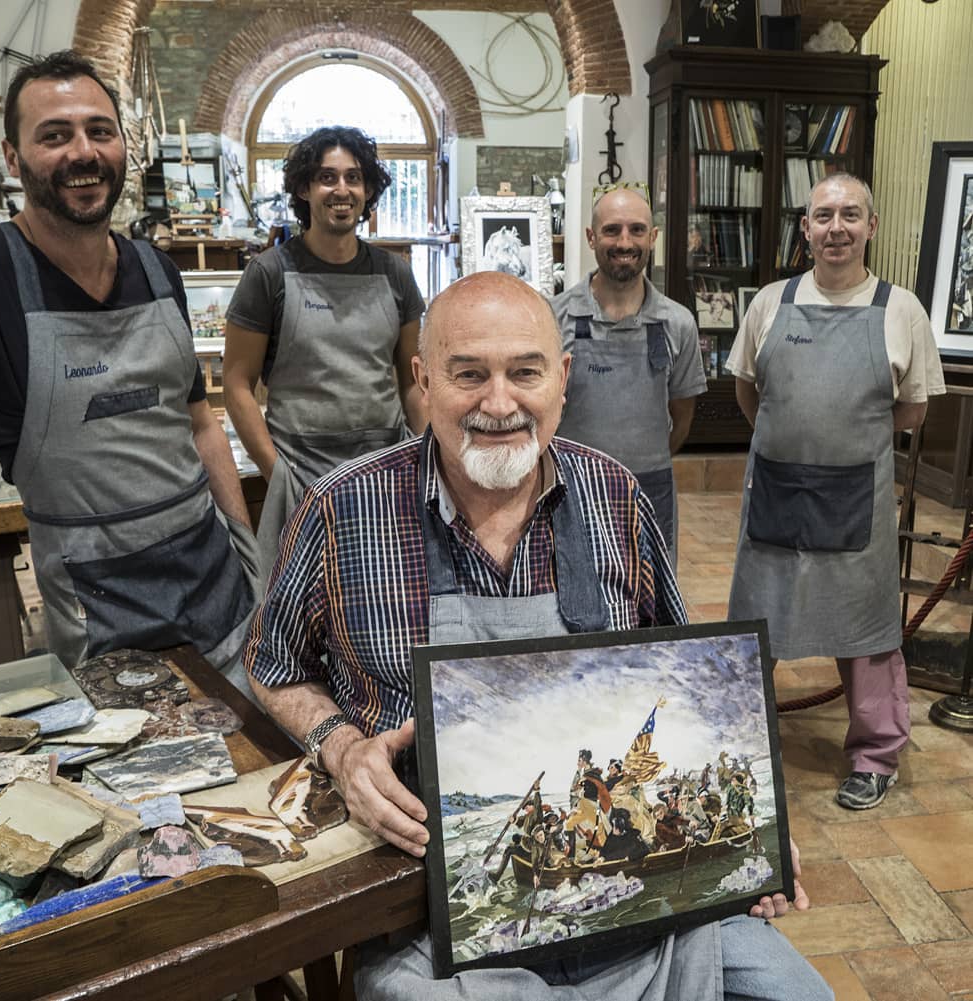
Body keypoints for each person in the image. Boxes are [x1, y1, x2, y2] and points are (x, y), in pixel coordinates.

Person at [246, 271, 830, 1000]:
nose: (499, 404)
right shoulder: (344, 508)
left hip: (650, 910)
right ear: (422, 380)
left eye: (525, 372)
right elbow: (273, 665)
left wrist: (761, 836)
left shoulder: (616, 497)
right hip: (432, 911)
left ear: (562, 379)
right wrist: (342, 749)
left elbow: (682, 669)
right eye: (468, 374)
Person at [0, 51, 262, 704]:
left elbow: (199, 424)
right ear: (12, 158)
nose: (83, 152)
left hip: (216, 581)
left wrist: (248, 555)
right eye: (55, 134)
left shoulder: (157, 269)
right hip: (97, 603)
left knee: (256, 752)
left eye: (100, 130)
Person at [727, 173, 945, 811]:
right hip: (775, 492)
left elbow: (912, 410)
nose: (836, 228)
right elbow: (748, 391)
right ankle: (733, 736)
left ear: (871, 227)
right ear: (806, 229)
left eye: (851, 215)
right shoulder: (771, 302)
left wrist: (841, 447)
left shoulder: (901, 310)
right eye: (823, 216)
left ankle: (875, 755)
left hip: (857, 499)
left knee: (867, 625)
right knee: (757, 616)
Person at [222, 125, 426, 584]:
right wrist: (277, 474)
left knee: (386, 599)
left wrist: (431, 455)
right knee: (302, 609)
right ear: (303, 188)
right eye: (327, 177)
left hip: (385, 474)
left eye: (354, 178)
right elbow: (236, 384)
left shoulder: (394, 275)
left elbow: (413, 383)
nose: (342, 189)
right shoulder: (269, 274)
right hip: (302, 474)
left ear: (368, 190)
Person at [551, 187, 706, 564]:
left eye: (637, 230)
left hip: (649, 493)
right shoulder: (553, 319)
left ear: (653, 238)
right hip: (572, 490)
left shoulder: (678, 323)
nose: (625, 242)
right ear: (591, 237)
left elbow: (682, 417)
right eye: (612, 230)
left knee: (649, 593)